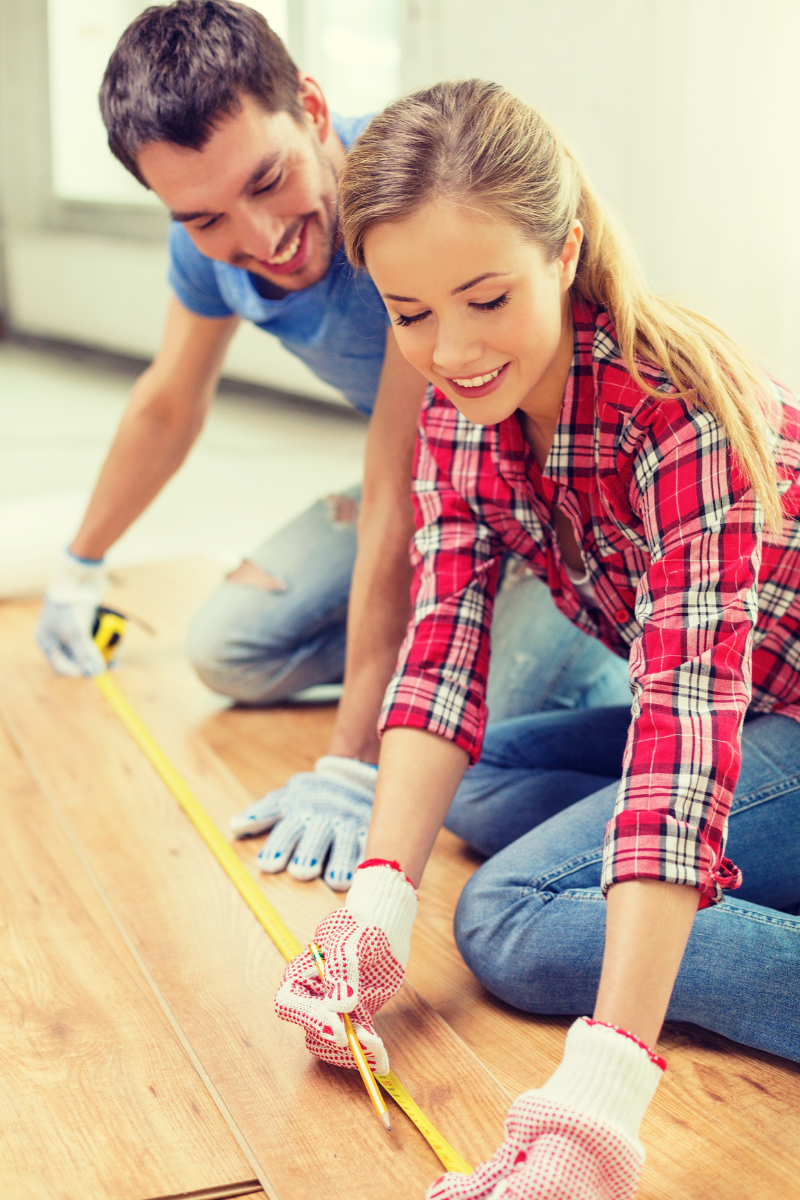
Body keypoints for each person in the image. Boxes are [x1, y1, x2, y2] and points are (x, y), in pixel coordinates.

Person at [275, 80, 800, 1199]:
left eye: (483, 299)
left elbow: (677, 741)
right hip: (753, 712)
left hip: (761, 717)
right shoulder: (464, 419)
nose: (450, 351)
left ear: (561, 254)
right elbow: (441, 660)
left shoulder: (682, 418)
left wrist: (598, 1098)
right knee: (474, 784)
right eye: (408, 315)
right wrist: (373, 909)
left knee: (508, 919)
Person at [35, 1, 630, 893]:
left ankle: (598, 656)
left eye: (268, 180)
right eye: (204, 218)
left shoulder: (397, 216)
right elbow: (169, 402)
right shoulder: (210, 245)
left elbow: (396, 487)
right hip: (443, 489)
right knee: (228, 649)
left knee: (474, 746)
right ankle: (458, 632)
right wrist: (81, 565)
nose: (258, 236)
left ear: (311, 109)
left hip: (556, 506)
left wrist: (356, 762)